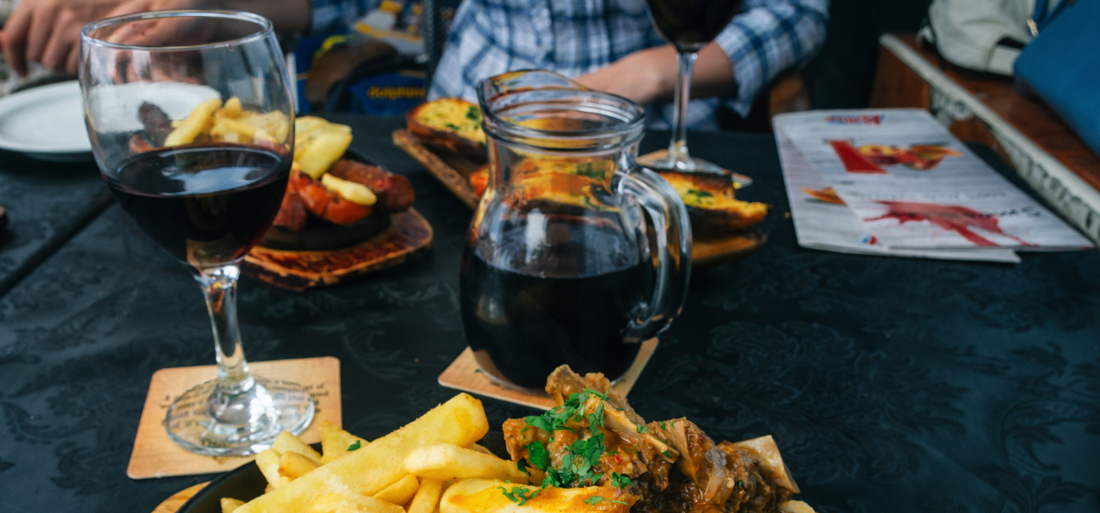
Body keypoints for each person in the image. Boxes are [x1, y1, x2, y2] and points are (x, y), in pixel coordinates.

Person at [0, 0, 827, 130]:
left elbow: (801, 11)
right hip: (461, 140)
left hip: (651, 138)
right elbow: (331, 2)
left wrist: (650, 72)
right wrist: (192, 9)